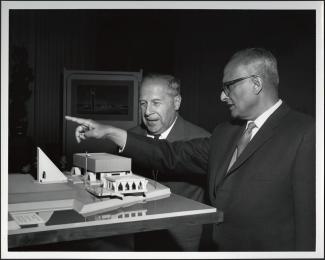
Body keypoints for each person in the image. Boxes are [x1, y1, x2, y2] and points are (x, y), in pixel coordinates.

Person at [66, 47, 315, 251]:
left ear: (256, 83)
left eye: (228, 86)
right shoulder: (224, 133)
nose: (222, 96)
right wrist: (111, 132)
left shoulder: (306, 132)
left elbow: (310, 225)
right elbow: (168, 155)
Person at [129, 73, 211, 251]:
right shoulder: (130, 139)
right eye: (143, 103)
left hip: (183, 243)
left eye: (156, 103)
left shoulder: (201, 139)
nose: (148, 111)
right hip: (139, 238)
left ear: (177, 103)